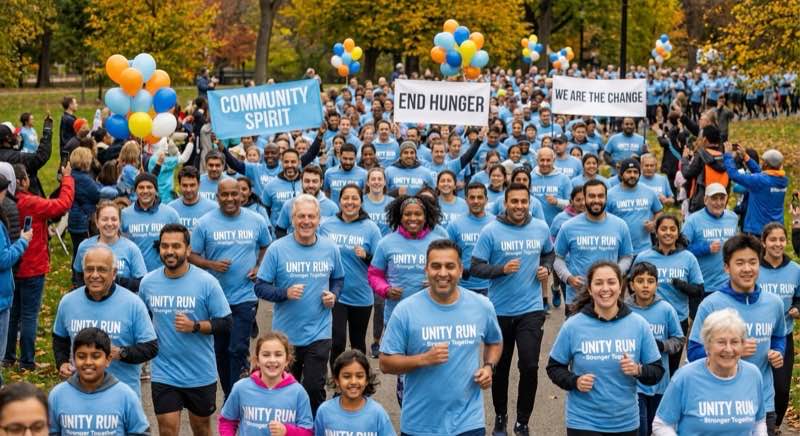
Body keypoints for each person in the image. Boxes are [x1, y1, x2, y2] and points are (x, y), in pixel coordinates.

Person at [380, 239, 502, 436]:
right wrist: (423, 359)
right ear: (426, 270)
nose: (443, 273)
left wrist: (488, 367)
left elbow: (494, 341)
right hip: (420, 425)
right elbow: (385, 363)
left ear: (461, 270)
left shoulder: (482, 306)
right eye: (436, 266)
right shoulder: (406, 310)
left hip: (468, 422)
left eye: (450, 266)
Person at [469, 183, 553, 436]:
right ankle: (501, 415)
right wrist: (501, 270)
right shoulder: (491, 231)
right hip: (499, 312)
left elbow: (549, 254)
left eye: (523, 201)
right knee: (500, 367)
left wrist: (546, 268)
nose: (519, 206)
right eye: (514, 201)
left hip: (531, 309)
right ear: (505, 203)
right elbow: (475, 267)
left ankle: (523, 420)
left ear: (529, 203)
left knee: (529, 366)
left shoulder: (540, 227)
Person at [547, 261, 664, 436]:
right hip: (583, 421)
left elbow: (657, 371)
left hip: (625, 422)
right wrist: (575, 381)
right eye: (598, 283)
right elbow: (554, 367)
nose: (605, 288)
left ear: (620, 286)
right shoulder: (573, 325)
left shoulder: (638, 325)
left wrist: (638, 369)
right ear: (589, 289)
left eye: (611, 282)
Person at [139, 224, 232, 436]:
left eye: (176, 246)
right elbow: (141, 320)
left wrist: (196, 326)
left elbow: (226, 323)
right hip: (164, 372)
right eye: (164, 246)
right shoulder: (148, 283)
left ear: (188, 250)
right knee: (168, 429)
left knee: (201, 428)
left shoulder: (207, 283)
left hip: (199, 373)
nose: (170, 251)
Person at [254, 194, 344, 414]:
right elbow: (260, 286)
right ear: (292, 219)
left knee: (313, 388)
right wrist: (284, 293)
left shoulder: (330, 248)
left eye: (311, 216)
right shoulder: (277, 249)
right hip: (286, 336)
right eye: (301, 216)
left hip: (319, 331)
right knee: (286, 391)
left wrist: (334, 295)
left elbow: (338, 279)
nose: (306, 221)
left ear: (318, 219)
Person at [687, 234, 786, 434]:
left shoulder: (774, 303)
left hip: (762, 403)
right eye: (739, 263)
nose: (747, 269)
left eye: (753, 262)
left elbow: (779, 335)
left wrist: (777, 351)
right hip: (720, 404)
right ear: (726, 267)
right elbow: (694, 351)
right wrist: (734, 352)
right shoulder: (711, 304)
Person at [190, 179, 271, 399]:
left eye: (234, 194)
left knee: (237, 349)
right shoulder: (205, 223)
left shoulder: (256, 220)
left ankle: (236, 394)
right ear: (217, 196)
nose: (230, 199)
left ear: (242, 195)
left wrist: (258, 266)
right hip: (216, 299)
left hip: (245, 296)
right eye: (224, 195)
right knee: (221, 350)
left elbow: (266, 245)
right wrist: (211, 265)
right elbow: (191, 254)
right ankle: (229, 392)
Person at [53, 246, 157, 397]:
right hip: (78, 394)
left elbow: (151, 347)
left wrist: (122, 353)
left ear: (114, 273)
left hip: (122, 396)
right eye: (89, 269)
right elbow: (59, 338)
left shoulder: (133, 303)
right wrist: (62, 362)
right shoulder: (68, 302)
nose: (95, 275)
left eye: (101, 269)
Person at [653, 309, 767, 435]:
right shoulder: (685, 377)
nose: (728, 349)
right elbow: (661, 424)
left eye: (735, 342)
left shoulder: (753, 375)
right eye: (721, 342)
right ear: (707, 345)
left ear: (742, 344)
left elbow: (759, 422)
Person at [5, 162, 73, 371]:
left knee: (12, 313)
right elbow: (62, 204)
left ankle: (7, 356)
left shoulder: (6, 204)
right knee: (28, 315)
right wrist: (67, 179)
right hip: (33, 266)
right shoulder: (30, 202)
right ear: (23, 182)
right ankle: (26, 359)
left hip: (11, 266)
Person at [319, 184, 382, 369]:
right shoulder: (327, 225)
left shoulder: (370, 228)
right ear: (340, 201)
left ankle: (360, 381)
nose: (350, 202)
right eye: (346, 198)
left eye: (354, 198)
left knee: (358, 344)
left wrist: (367, 257)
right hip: (335, 294)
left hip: (361, 295)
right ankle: (338, 382)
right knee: (337, 341)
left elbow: (379, 265)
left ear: (361, 202)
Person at [633, 214, 703, 374]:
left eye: (672, 229)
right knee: (644, 368)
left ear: (678, 233)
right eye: (663, 229)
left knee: (670, 370)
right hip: (647, 320)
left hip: (678, 320)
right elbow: (633, 286)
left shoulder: (688, 258)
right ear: (656, 232)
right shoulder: (644, 257)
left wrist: (680, 284)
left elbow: (699, 291)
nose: (668, 233)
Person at [48, 328, 149, 435]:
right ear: (73, 359)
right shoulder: (57, 395)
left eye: (96, 356)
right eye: (81, 356)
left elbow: (140, 433)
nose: (88, 362)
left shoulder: (126, 396)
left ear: (108, 360)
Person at [624, 262, 684, 436]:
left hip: (660, 383)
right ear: (631, 284)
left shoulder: (666, 309)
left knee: (656, 429)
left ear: (656, 284)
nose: (645, 285)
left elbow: (679, 339)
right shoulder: (624, 311)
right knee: (640, 429)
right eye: (640, 280)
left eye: (650, 281)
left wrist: (663, 345)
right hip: (635, 384)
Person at [554, 180, 634, 309]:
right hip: (577, 297)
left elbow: (627, 256)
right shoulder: (568, 227)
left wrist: (616, 272)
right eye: (591, 196)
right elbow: (557, 257)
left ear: (606, 198)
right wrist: (569, 278)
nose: (596, 200)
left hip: (608, 297)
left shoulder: (620, 225)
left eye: (600, 196)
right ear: (584, 198)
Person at [218, 332, 313, 436]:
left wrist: (287, 431)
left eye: (278, 354)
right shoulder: (241, 388)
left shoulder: (298, 392)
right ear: (257, 360)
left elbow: (307, 432)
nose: (272, 360)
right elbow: (227, 421)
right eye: (266, 355)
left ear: (287, 360)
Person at [757, 223, 800, 430]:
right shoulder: (754, 268)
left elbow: (799, 298)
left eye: (781, 239)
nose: (777, 244)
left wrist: (797, 309)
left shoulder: (795, 270)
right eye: (772, 239)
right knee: (754, 384)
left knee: (781, 389)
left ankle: (774, 426)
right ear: (764, 242)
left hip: (783, 336)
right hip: (755, 336)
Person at [314, 350, 395, 436]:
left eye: (359, 376)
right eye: (347, 376)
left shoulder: (378, 413)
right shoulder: (324, 411)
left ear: (367, 379)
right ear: (337, 380)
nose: (353, 381)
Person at [72, 201, 147, 291]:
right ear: (97, 222)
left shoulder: (131, 248)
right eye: (104, 219)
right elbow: (78, 277)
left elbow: (142, 283)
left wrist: (116, 281)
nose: (109, 223)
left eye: (114, 219)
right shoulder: (84, 246)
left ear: (119, 222)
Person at [682, 183, 739, 297]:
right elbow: (681, 249)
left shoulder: (732, 218)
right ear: (705, 200)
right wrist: (706, 248)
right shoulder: (693, 220)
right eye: (714, 199)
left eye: (722, 198)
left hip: (727, 284)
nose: (718, 203)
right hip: (702, 284)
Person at [723, 146, 788, 237]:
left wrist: (728, 156)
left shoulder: (760, 181)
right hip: (776, 229)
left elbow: (734, 175)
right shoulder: (783, 180)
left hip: (758, 231)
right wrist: (746, 157)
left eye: (763, 162)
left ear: (766, 165)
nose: (762, 164)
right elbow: (761, 173)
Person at [121, 173, 180, 272]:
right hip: (135, 276)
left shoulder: (170, 214)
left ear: (156, 190)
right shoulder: (124, 215)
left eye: (149, 187)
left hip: (163, 274)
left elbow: (180, 244)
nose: (145, 191)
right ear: (135, 190)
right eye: (141, 187)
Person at [606, 158, 663, 255]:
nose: (632, 175)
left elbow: (659, 211)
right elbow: (603, 219)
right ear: (621, 174)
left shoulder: (649, 191)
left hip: (644, 249)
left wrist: (654, 223)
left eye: (635, 172)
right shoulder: (610, 195)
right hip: (619, 250)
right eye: (628, 172)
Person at [448, 182, 495, 295]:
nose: (476, 201)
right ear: (466, 200)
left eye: (480, 197)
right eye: (472, 197)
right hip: (462, 286)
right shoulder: (455, 225)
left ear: (486, 200)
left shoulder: (496, 223)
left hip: (491, 286)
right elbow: (448, 254)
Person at [275, 165, 339, 237]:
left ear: (321, 183)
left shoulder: (332, 208)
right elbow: (280, 230)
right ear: (301, 182)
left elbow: (336, 232)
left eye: (314, 181)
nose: (310, 185)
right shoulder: (290, 204)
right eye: (307, 181)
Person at [680, 125, 728, 213]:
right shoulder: (724, 156)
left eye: (700, 138)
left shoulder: (701, 156)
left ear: (705, 139)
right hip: (721, 202)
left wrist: (684, 159)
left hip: (702, 202)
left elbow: (687, 173)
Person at [67, 147, 101, 268]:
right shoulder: (85, 179)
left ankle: (76, 276)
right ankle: (79, 276)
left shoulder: (71, 176)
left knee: (77, 250)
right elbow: (96, 194)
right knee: (83, 251)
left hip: (73, 218)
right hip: (83, 220)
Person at [262, 149, 304, 227]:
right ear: (281, 163)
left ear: (299, 163)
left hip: (302, 233)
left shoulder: (306, 183)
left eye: (293, 162)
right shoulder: (270, 185)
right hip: (278, 234)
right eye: (286, 162)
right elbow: (264, 212)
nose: (289, 165)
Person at [168, 166, 217, 232]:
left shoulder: (213, 208)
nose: (188, 189)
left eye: (192, 185)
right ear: (179, 185)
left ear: (199, 184)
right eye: (185, 185)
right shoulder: (171, 209)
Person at [529, 147, 572, 225]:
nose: (545, 163)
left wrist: (557, 202)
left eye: (548, 160)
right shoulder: (530, 177)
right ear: (537, 160)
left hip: (558, 226)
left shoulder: (564, 179)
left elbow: (572, 205)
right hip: (535, 226)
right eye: (542, 160)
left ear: (554, 160)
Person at [363, 168, 393, 236]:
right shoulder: (360, 202)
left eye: (379, 179)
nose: (376, 182)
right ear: (368, 182)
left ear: (385, 182)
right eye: (373, 179)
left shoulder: (392, 203)